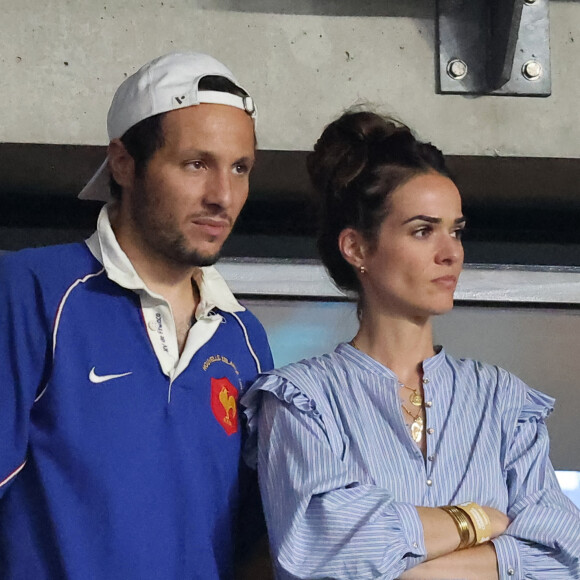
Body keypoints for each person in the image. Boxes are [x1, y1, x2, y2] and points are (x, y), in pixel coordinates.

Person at [241, 110, 580, 579]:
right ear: (356, 248)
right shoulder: (303, 402)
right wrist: (477, 521)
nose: (451, 252)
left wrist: (408, 571)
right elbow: (320, 553)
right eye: (423, 230)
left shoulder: (503, 401)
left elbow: (563, 557)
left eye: (456, 230)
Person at [0, 52, 273, 579]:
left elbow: (252, 545)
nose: (223, 196)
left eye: (240, 169)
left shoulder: (244, 337)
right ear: (123, 163)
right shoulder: (33, 290)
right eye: (197, 163)